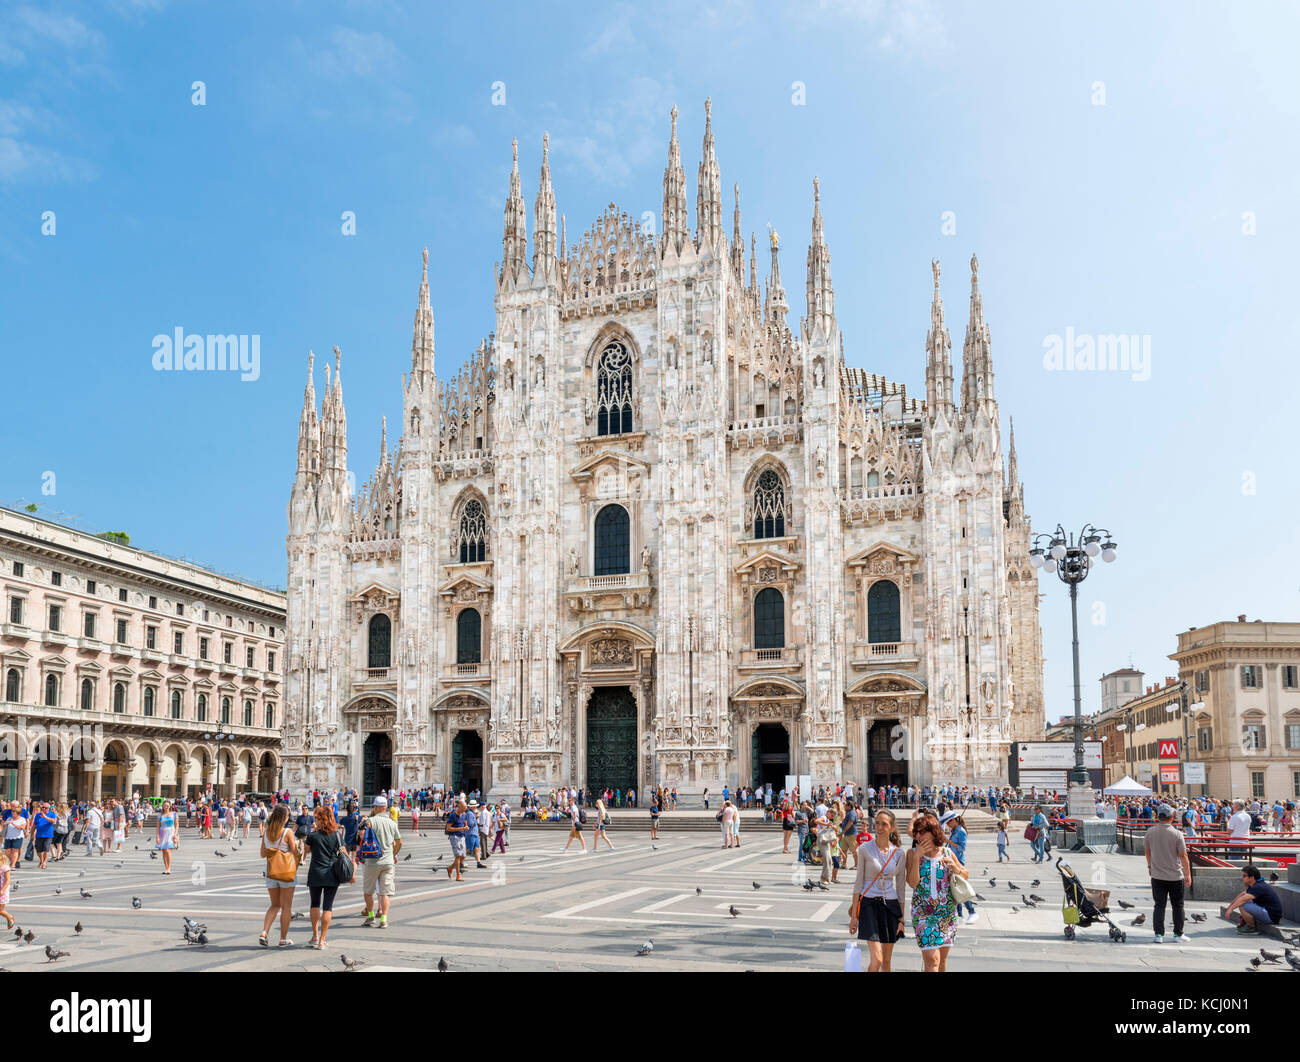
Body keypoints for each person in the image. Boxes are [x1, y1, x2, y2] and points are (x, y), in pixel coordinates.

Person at [906, 811, 966, 972]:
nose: (918, 836)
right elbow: (912, 883)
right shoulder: (911, 854)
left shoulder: (946, 852)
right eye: (917, 832)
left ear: (934, 832)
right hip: (923, 914)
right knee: (932, 960)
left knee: (941, 962)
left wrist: (955, 868)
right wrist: (917, 857)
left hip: (947, 913)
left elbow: (965, 874)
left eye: (923, 832)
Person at [849, 809, 907, 972]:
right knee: (877, 959)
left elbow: (901, 888)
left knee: (886, 962)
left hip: (890, 906)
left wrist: (902, 919)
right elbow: (858, 883)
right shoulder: (865, 849)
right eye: (877, 823)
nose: (879, 828)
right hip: (869, 905)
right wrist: (854, 916)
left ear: (893, 828)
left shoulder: (899, 854)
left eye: (884, 824)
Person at [1143, 804, 1191, 944]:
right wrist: (1187, 874)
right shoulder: (1177, 834)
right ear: (1171, 818)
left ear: (1158, 817)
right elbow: (1183, 855)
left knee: (1159, 905)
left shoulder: (1150, 832)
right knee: (1178, 906)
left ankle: (1158, 935)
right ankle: (1178, 934)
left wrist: (1150, 866)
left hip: (1157, 875)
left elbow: (1147, 851)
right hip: (1175, 876)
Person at [259, 803, 301, 947]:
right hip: (286, 873)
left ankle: (264, 932)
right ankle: (283, 939)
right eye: (288, 816)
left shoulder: (266, 832)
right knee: (286, 907)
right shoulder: (287, 832)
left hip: (271, 872)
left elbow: (262, 854)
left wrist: (273, 849)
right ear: (284, 817)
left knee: (274, 905)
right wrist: (294, 844)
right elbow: (295, 853)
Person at [359, 795, 401, 928]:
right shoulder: (392, 823)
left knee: (368, 891)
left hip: (372, 861)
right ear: (386, 808)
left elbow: (360, 834)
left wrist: (362, 823)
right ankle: (384, 919)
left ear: (375, 807)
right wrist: (393, 854)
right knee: (385, 892)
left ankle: (371, 917)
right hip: (388, 862)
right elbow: (399, 842)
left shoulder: (370, 821)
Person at [304, 805, 343, 949]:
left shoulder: (313, 836)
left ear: (321, 819)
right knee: (328, 906)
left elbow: (306, 851)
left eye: (316, 818)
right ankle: (322, 940)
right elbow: (343, 852)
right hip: (332, 874)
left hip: (315, 873)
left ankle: (314, 935)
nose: (315, 820)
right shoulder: (337, 835)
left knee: (314, 904)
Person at [1226, 864, 1283, 935]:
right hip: (1270, 913)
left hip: (1271, 916)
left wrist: (1230, 910)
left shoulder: (1258, 887)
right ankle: (1246, 922)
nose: (1242, 878)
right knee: (1244, 902)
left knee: (1243, 904)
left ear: (1252, 878)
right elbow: (1242, 895)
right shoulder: (1256, 885)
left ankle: (1251, 927)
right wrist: (1230, 907)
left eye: (1244, 876)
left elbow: (1242, 900)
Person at [942, 811, 977, 925]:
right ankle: (960, 915)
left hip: (958, 862)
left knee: (961, 888)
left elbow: (962, 848)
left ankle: (972, 911)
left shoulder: (961, 832)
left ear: (955, 820)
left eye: (949, 822)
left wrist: (949, 841)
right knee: (955, 889)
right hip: (952, 861)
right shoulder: (954, 830)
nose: (948, 824)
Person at [445, 797, 469, 881]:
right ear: (459, 807)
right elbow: (448, 828)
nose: (465, 810)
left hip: (462, 836)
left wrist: (466, 828)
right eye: (464, 808)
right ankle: (458, 875)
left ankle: (450, 868)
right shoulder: (453, 815)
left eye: (466, 808)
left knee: (463, 856)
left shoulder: (464, 815)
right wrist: (461, 829)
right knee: (458, 856)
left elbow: (465, 824)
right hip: (454, 836)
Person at [30, 802, 56, 869]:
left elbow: (53, 821)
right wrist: (31, 834)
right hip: (39, 835)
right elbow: (34, 825)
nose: (44, 809)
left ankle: (44, 863)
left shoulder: (52, 814)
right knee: (39, 851)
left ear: (49, 808)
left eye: (46, 808)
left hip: (48, 835)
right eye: (43, 807)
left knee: (46, 850)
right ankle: (41, 861)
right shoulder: (38, 815)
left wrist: (45, 817)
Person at [155, 800, 178, 875]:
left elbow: (177, 825)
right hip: (162, 833)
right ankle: (166, 868)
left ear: (170, 806)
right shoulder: (160, 815)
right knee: (163, 851)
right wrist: (157, 836)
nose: (166, 807)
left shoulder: (174, 814)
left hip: (170, 833)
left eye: (167, 806)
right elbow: (158, 827)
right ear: (163, 806)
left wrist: (175, 834)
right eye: (165, 806)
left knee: (168, 851)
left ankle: (169, 868)